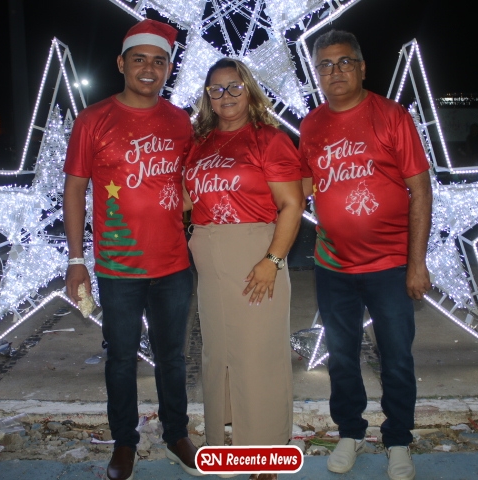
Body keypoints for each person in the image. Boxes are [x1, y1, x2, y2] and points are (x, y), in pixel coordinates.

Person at [63, 20, 200, 480]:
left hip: (174, 265)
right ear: (121, 64)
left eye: (159, 61)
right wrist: (76, 261)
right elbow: (75, 189)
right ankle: (124, 442)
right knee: (120, 358)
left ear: (168, 69)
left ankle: (176, 434)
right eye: (139, 59)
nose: (149, 68)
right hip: (117, 266)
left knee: (172, 357)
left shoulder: (179, 121)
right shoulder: (94, 119)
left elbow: (190, 183)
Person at [299, 30, 432, 480]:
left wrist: (417, 263)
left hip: (390, 266)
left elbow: (420, 190)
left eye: (344, 62)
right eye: (325, 65)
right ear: (317, 73)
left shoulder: (392, 116)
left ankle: (398, 440)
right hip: (332, 266)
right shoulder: (312, 125)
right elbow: (302, 186)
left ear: (361, 67)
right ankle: (350, 433)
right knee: (341, 356)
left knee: (396, 358)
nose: (335, 71)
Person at [184, 58, 304, 480]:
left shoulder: (269, 139)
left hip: (257, 254)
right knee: (219, 354)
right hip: (209, 257)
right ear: (207, 97)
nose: (226, 96)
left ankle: (267, 451)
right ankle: (227, 444)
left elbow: (292, 204)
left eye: (234, 86)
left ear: (249, 90)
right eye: (216, 89)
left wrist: (273, 260)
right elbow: (186, 200)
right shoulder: (199, 143)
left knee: (258, 354)